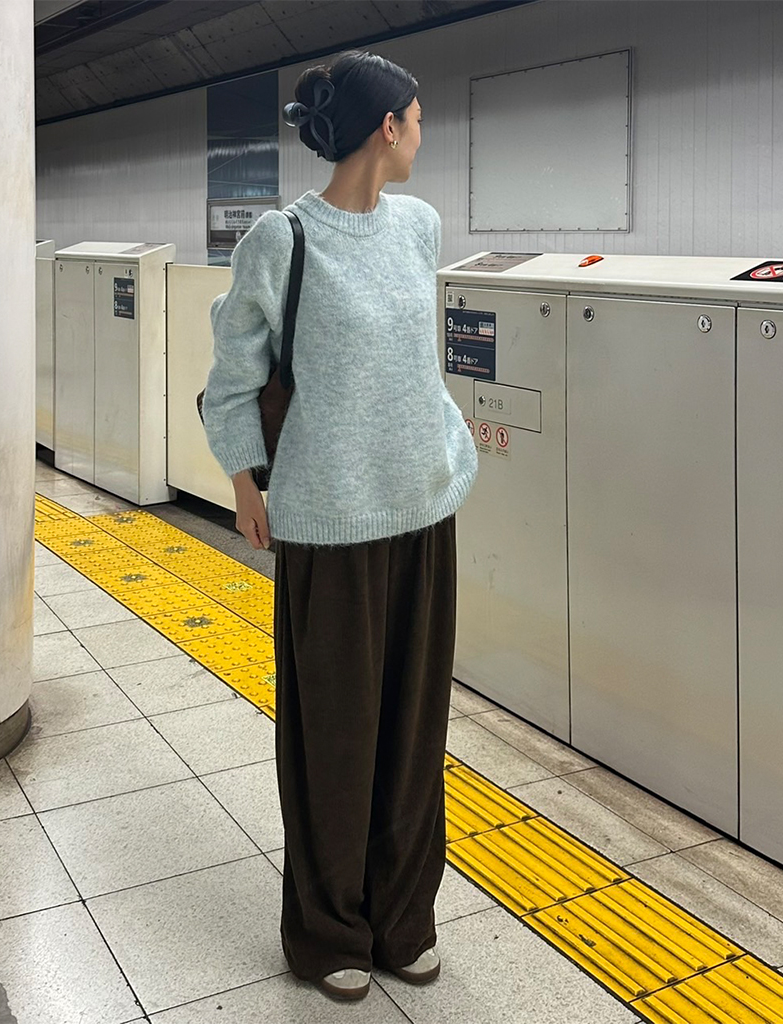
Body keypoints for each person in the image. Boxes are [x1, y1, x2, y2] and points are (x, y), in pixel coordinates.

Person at [202, 50, 478, 1003]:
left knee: (413, 730)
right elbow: (233, 377)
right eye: (418, 118)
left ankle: (403, 918)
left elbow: (412, 364)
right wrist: (245, 480)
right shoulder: (281, 241)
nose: (422, 135)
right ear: (387, 128)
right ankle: (328, 933)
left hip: (423, 510)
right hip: (328, 523)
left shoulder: (420, 226)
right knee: (335, 736)